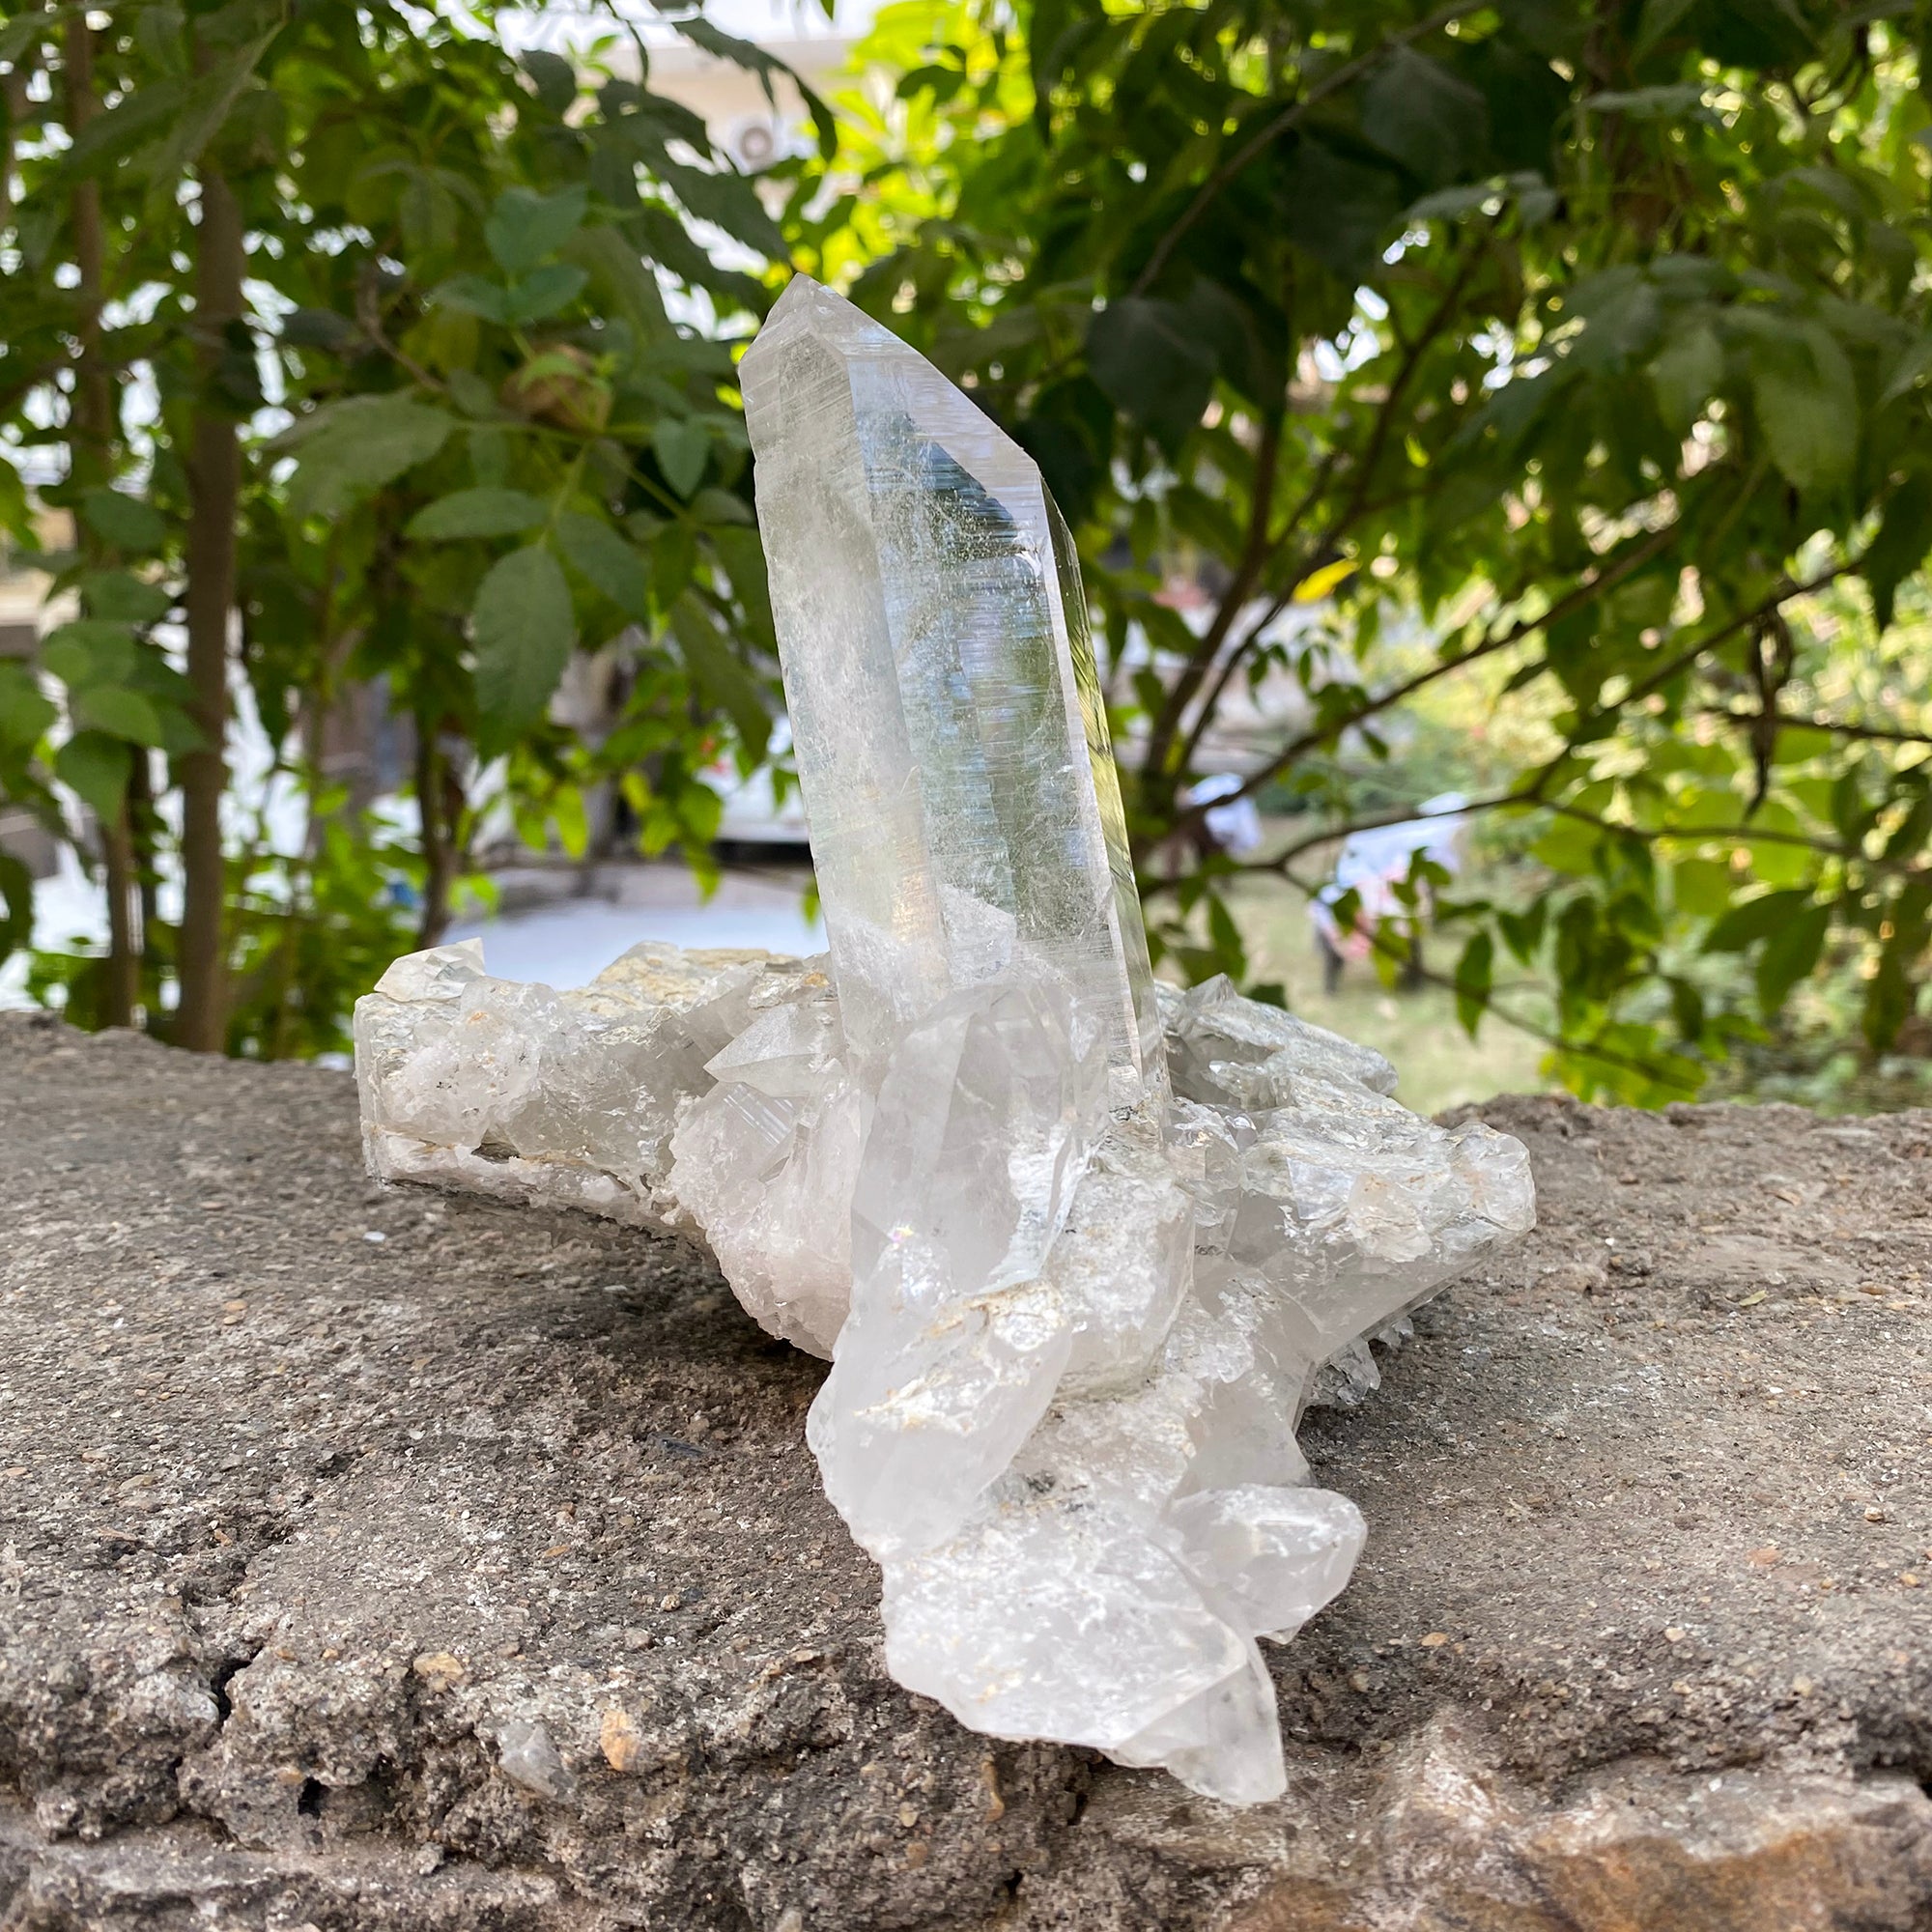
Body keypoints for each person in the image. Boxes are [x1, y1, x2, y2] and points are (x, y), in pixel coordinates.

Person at [1310, 793, 1466, 993]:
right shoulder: (1367, 845)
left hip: (1386, 901)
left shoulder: (1416, 847)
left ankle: (1412, 978)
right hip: (1366, 896)